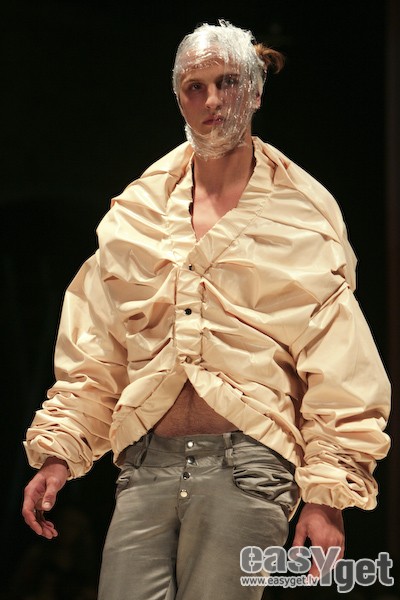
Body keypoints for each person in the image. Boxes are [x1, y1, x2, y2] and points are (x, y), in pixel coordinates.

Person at [22, 20, 391, 600]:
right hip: (145, 465)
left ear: (256, 91)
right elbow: (96, 348)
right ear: (179, 98)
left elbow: (340, 363)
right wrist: (59, 453)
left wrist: (326, 496)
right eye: (195, 86)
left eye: (228, 82)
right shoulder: (138, 210)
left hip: (250, 465)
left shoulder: (303, 213)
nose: (212, 100)